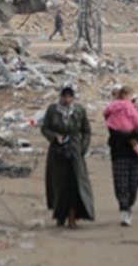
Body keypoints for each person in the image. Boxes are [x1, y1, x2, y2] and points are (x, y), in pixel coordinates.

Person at [41, 86, 94, 228]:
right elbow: (45, 128)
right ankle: (60, 215)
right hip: (57, 153)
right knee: (59, 185)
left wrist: (83, 147)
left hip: (75, 152)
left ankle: (73, 216)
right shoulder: (53, 110)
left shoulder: (79, 111)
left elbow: (86, 131)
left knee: (75, 184)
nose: (67, 100)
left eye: (69, 97)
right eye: (64, 97)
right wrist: (54, 137)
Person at [105, 86, 138, 226]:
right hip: (119, 151)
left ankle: (129, 205)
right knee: (121, 183)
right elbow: (112, 129)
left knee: (134, 182)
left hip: (134, 154)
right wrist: (129, 138)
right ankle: (124, 209)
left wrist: (135, 137)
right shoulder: (112, 110)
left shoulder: (137, 109)